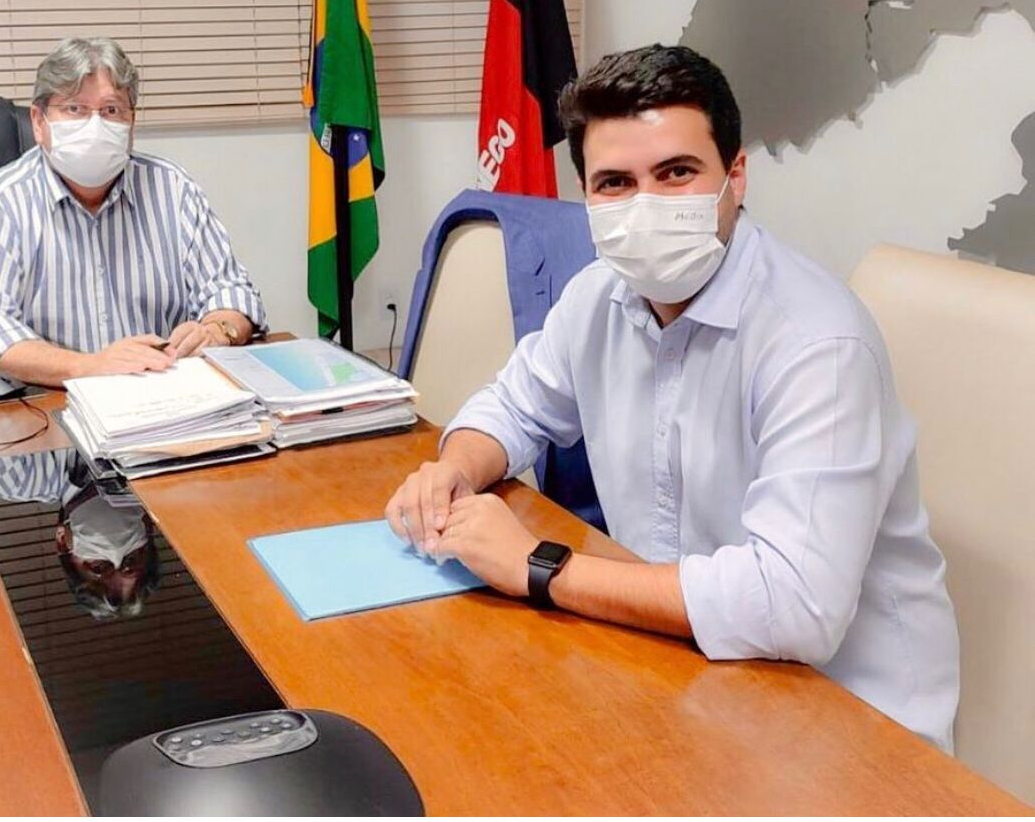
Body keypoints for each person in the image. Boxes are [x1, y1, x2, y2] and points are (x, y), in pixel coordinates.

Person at [384, 44, 960, 752]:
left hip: (851, 724)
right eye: (615, 183)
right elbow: (515, 405)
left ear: (735, 176)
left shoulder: (816, 342)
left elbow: (793, 606)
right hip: (680, 670)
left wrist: (537, 566)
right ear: (586, 196)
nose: (647, 203)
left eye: (677, 172)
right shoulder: (599, 295)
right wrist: (454, 470)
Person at [0, 37, 265, 385]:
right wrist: (87, 366)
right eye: (75, 109)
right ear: (38, 121)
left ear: (131, 122)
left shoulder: (173, 189)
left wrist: (217, 330)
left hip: (165, 389)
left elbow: (233, 291)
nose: (94, 127)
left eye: (111, 111)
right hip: (53, 398)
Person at [0, 448, 160, 620]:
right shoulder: (156, 456)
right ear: (148, 526)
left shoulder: (18, 479)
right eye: (130, 562)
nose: (115, 551)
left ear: (62, 541)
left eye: (98, 566)